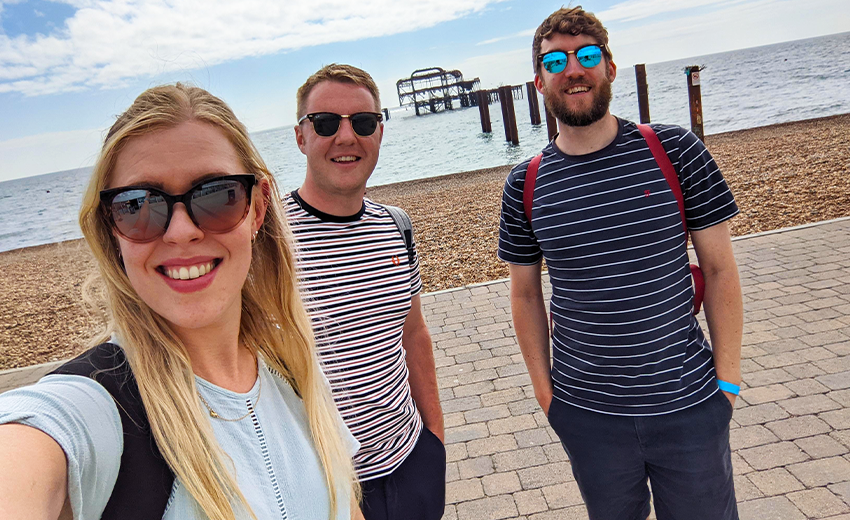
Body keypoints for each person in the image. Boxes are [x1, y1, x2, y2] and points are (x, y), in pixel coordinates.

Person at [0, 84, 363, 520]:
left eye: (216, 193)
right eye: (138, 204)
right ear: (112, 230)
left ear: (258, 208)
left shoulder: (293, 363)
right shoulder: (95, 411)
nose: (180, 231)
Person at [498, 7, 743, 520]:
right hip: (588, 416)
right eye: (556, 60)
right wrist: (548, 397)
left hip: (691, 404)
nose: (573, 69)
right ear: (539, 80)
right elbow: (524, 294)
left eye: (587, 55)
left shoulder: (674, 149)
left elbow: (719, 269)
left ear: (610, 66)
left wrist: (727, 384)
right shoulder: (525, 183)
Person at [286, 64, 446, 520]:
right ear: (301, 137)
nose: (346, 136)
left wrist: (433, 437)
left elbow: (413, 333)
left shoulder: (396, 224)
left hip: (411, 462)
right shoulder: (266, 243)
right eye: (325, 123)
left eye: (362, 122)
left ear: (379, 131)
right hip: (322, 488)